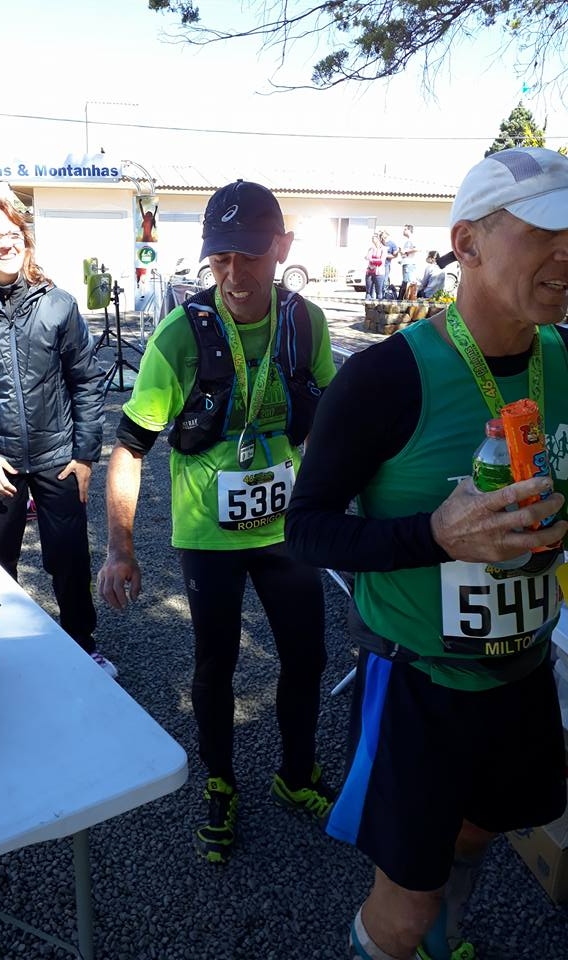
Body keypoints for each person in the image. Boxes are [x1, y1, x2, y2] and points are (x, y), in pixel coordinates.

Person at [285, 146, 568, 959]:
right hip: (417, 686)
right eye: (543, 230)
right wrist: (436, 536)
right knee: (403, 904)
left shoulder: (564, 359)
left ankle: (446, 937)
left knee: (480, 830)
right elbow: (304, 530)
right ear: (468, 243)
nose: (566, 253)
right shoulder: (387, 378)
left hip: (520, 672)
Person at [97, 179, 337, 863]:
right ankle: (220, 783)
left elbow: (322, 427)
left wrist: (327, 508)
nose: (233, 274)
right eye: (219, 257)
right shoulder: (180, 336)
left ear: (281, 248)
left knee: (307, 657)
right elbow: (130, 448)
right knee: (215, 663)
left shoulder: (306, 323)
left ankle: (296, 774)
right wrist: (119, 549)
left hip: (284, 529)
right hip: (210, 536)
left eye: (250, 256)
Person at [0, 197, 115, 677]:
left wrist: (85, 455)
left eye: (11, 232)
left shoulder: (58, 304)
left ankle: (81, 642)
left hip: (58, 457)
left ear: (25, 239)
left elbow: (87, 381)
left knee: (70, 557)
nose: (5, 242)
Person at [398, 223, 419, 299]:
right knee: (405, 281)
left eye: (405, 229)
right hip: (406, 263)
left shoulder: (413, 239)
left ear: (409, 230)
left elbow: (417, 249)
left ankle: (406, 300)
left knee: (407, 282)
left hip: (409, 264)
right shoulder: (407, 241)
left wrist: (406, 252)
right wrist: (402, 253)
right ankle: (403, 298)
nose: (403, 231)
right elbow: (406, 254)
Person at [364, 233, 387, 300]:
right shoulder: (371, 248)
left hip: (379, 273)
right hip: (369, 272)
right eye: (372, 238)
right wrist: (374, 259)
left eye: (374, 238)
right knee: (368, 292)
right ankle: (369, 308)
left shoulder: (384, 249)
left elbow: (381, 262)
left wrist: (371, 260)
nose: (372, 239)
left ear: (378, 239)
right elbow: (367, 257)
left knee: (379, 293)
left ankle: (378, 308)